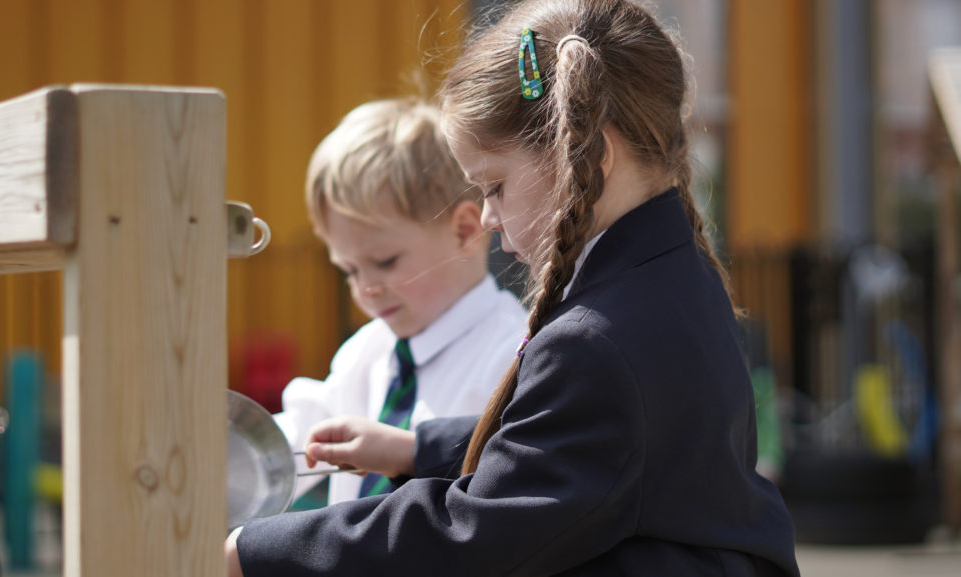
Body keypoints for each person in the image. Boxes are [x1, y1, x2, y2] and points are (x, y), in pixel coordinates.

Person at [227, 1, 800, 575]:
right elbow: (574, 446)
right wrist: (417, 449)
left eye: (495, 186)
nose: (488, 215)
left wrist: (254, 552)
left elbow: (474, 533)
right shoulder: (670, 276)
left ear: (592, 153)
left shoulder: (598, 339)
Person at [273, 97, 527, 505]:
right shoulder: (365, 353)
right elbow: (292, 444)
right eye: (350, 271)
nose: (365, 288)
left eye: (384, 262)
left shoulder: (514, 356)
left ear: (464, 231)